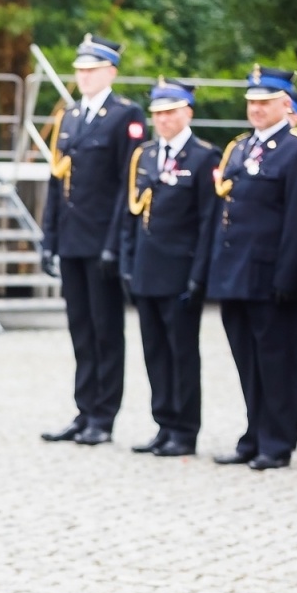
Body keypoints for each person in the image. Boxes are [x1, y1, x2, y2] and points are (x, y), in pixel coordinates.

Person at [208, 65, 297, 471]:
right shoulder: (239, 147)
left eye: (265, 102)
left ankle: (279, 439)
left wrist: (289, 274)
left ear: (285, 104)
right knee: (248, 360)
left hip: (273, 274)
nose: (256, 109)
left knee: (278, 360)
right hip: (236, 273)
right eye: (252, 102)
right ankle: (254, 433)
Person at [40, 35, 146, 446]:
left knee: (106, 331)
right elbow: (57, 181)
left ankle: (104, 415)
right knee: (80, 330)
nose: (83, 76)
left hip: (102, 240)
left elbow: (128, 184)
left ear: (111, 72)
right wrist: (49, 238)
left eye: (92, 69)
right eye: (80, 69)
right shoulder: (68, 117)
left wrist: (116, 244)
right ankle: (84, 410)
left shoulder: (126, 116)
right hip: (71, 238)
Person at [118, 79, 220, 458]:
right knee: (155, 353)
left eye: (170, 112)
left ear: (187, 112)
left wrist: (198, 275)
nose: (162, 119)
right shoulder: (143, 156)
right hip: (146, 271)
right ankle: (163, 423)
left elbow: (209, 221)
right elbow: (130, 215)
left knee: (182, 353)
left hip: (180, 272)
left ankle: (184, 429)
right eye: (157, 113)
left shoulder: (203, 157)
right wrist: (127, 264)